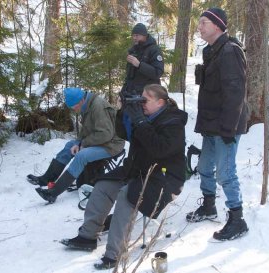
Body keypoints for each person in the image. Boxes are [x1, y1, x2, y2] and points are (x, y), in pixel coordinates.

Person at [60, 84, 188, 270]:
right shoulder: (145, 116)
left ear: (160, 102)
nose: (141, 103)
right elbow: (122, 133)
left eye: (146, 100)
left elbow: (160, 149)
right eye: (140, 99)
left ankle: (114, 254)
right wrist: (124, 111)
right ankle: (87, 236)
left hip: (165, 178)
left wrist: (141, 122)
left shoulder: (173, 121)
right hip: (138, 169)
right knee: (103, 185)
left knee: (128, 195)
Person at [186, 7, 249, 241]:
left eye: (203, 22)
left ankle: (237, 218)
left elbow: (236, 94)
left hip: (225, 126)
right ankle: (209, 205)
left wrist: (228, 129)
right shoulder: (212, 51)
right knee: (204, 167)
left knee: (225, 172)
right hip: (211, 124)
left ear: (217, 25)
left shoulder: (230, 51)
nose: (199, 27)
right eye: (200, 22)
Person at [27, 87, 125, 203]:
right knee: (69, 146)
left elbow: (105, 134)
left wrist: (82, 144)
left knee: (81, 156)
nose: (74, 110)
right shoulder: (87, 104)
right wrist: (78, 142)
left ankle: (53, 193)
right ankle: (47, 179)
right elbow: (87, 129)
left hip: (111, 145)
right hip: (100, 141)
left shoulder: (98, 106)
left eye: (74, 107)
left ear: (80, 101)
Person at [121, 23, 164, 98]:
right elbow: (129, 77)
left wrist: (139, 65)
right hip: (131, 96)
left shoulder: (154, 50)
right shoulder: (133, 51)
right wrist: (121, 95)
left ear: (145, 35)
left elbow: (158, 73)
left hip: (148, 97)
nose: (134, 38)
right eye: (133, 35)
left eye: (137, 35)